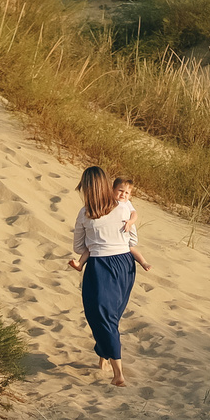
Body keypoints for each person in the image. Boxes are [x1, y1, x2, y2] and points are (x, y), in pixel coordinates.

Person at [66, 165, 152, 386]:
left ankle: (118, 374)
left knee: (102, 317)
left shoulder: (85, 213)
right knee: (109, 316)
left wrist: (96, 242)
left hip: (99, 267)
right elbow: (132, 241)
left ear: (86, 188)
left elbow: (78, 247)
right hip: (125, 265)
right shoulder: (123, 208)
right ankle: (103, 357)